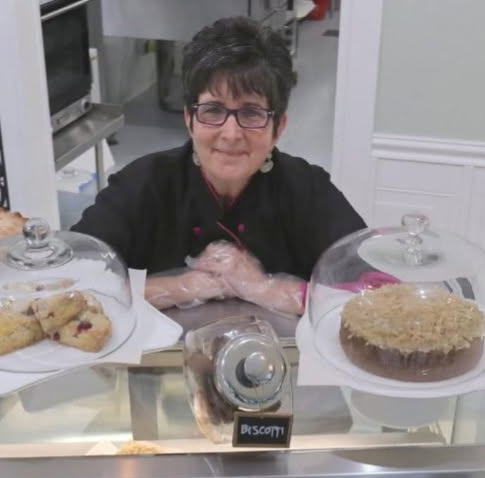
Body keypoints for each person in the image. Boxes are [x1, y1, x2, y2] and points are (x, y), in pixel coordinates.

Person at [72, 17, 366, 315]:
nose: (230, 133)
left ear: (278, 128)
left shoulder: (306, 189)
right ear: (189, 118)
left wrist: (264, 287)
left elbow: (374, 292)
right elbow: (71, 279)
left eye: (251, 113)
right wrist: (184, 286)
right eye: (213, 110)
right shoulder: (143, 183)